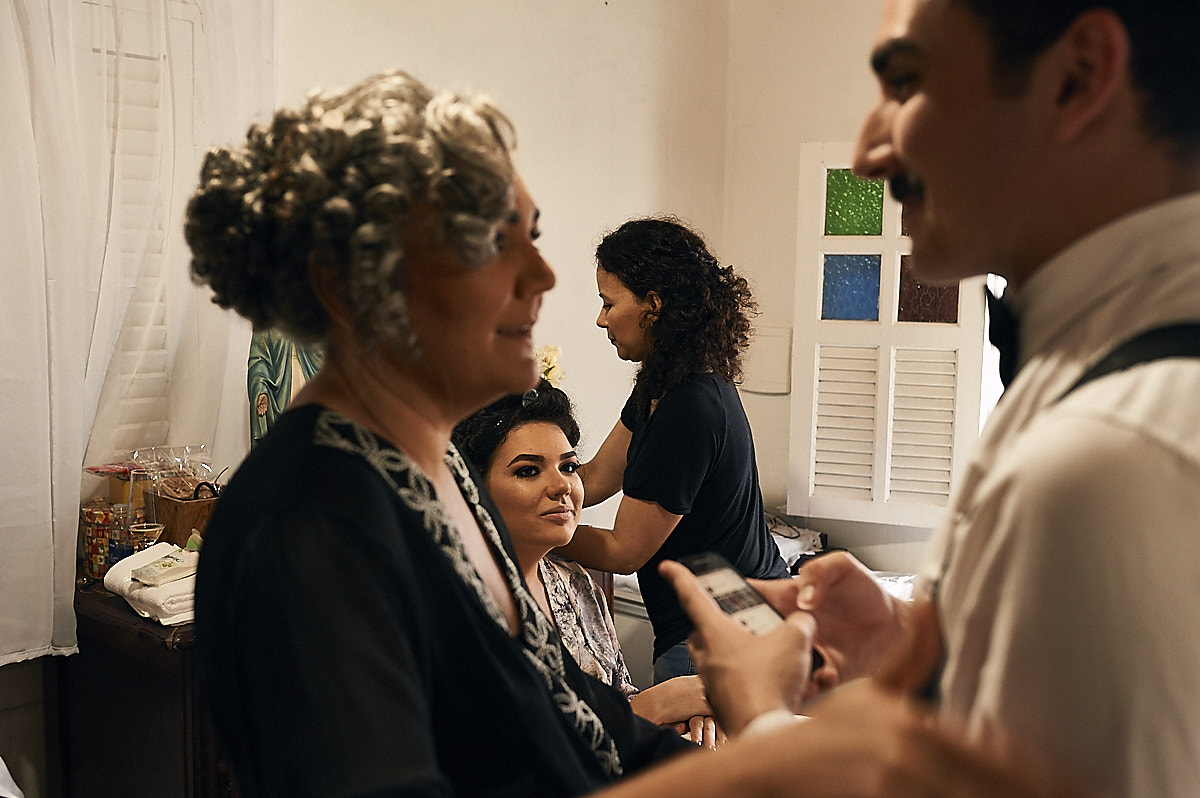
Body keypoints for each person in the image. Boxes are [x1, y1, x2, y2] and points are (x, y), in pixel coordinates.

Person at [666, 1, 1200, 796]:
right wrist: (918, 646)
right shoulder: (1089, 356)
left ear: (1077, 77)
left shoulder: (1107, 459)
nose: (868, 151)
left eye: (906, 83)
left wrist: (762, 721)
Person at [187, 69, 700, 797]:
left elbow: (575, 722)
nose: (543, 274)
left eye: (535, 235)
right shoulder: (307, 527)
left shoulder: (442, 473)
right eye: (490, 244)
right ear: (348, 284)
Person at [559, 217, 790, 683]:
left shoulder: (689, 406)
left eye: (608, 303)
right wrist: (533, 488)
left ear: (653, 305)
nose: (601, 318)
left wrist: (521, 529)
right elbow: (602, 474)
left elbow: (624, 552)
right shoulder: (666, 380)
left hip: (723, 637)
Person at [452, 379, 720, 746]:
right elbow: (502, 757)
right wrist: (647, 710)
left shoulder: (575, 583)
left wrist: (677, 716)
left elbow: (619, 692)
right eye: (528, 471)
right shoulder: (461, 605)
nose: (562, 486)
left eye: (569, 467)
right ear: (472, 489)